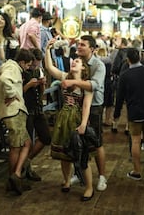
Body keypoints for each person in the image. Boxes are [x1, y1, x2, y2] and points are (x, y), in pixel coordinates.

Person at [44, 37, 95, 201]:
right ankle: (66, 180)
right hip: (63, 118)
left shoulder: (86, 84)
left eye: (78, 62)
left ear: (84, 68)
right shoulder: (65, 76)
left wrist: (83, 124)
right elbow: (49, 67)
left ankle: (89, 187)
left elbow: (86, 105)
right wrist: (47, 50)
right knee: (64, 153)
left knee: (81, 154)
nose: (74, 62)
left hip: (76, 119)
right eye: (74, 60)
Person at [62, 35, 108, 191]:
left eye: (83, 45)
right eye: (78, 44)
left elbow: (94, 85)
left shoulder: (98, 65)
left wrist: (74, 82)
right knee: (77, 142)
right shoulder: (76, 62)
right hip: (77, 106)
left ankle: (102, 176)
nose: (79, 47)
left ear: (92, 49)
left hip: (94, 106)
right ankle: (79, 173)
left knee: (96, 142)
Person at [114, 48, 144, 180]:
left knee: (135, 140)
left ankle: (136, 171)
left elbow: (119, 97)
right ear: (140, 58)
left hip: (134, 112)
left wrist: (116, 114)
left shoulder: (125, 75)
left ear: (128, 60)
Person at [0, 48, 33, 195]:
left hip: (11, 112)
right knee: (16, 147)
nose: (28, 68)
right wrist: (13, 94)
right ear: (22, 62)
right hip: (13, 112)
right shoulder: (12, 68)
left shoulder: (8, 65)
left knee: (25, 143)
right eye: (28, 65)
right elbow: (4, 79)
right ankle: (14, 178)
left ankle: (16, 175)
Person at [22, 48, 51, 182]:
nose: (35, 67)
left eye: (38, 64)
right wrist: (28, 85)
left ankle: (26, 161)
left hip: (38, 108)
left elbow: (42, 92)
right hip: (26, 108)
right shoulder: (21, 71)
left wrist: (42, 84)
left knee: (46, 137)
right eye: (33, 64)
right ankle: (25, 169)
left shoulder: (39, 70)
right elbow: (17, 92)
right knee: (27, 140)